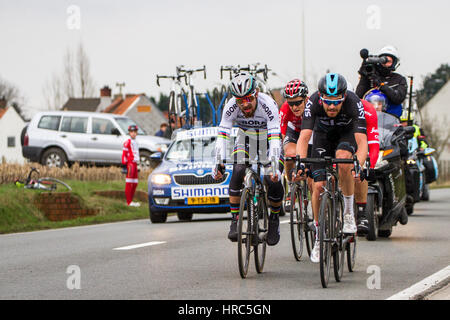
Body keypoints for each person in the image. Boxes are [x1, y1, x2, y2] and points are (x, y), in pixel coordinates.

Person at [295, 73, 368, 263]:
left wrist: (358, 165)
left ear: (344, 96)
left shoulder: (353, 101)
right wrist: (301, 162)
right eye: (328, 102)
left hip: (347, 135)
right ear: (321, 98)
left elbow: (362, 143)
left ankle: (349, 213)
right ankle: (319, 236)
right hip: (322, 137)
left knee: (343, 159)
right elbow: (304, 138)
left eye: (337, 102)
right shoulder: (312, 102)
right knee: (318, 186)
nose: (332, 106)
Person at [212, 72, 284, 246]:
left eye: (249, 99)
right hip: (246, 140)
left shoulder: (268, 105)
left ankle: (274, 220)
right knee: (237, 169)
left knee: (271, 178)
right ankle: (235, 219)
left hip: (269, 140)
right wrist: (218, 162)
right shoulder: (231, 106)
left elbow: (275, 139)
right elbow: (223, 135)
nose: (245, 104)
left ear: (256, 93)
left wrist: (274, 166)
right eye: (240, 100)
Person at [279, 79, 311, 209]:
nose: (294, 107)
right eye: (291, 103)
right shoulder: (285, 109)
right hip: (294, 132)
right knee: (290, 154)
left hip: (310, 133)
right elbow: (282, 133)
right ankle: (291, 187)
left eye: (298, 103)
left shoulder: (312, 106)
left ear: (305, 99)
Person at [356, 45, 407, 118]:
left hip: (391, 121)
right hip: (370, 119)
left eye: (388, 61)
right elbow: (358, 97)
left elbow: (398, 98)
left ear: (394, 63)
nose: (385, 64)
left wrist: (381, 85)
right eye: (383, 61)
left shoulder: (399, 79)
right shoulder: (371, 77)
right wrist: (364, 77)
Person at [122, 125, 140, 207]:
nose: (133, 134)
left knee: (135, 183)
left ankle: (131, 200)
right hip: (130, 164)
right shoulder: (127, 142)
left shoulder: (136, 142)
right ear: (129, 133)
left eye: (135, 132)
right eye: (131, 132)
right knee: (129, 182)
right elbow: (124, 154)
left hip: (135, 163)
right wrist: (124, 165)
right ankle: (128, 202)